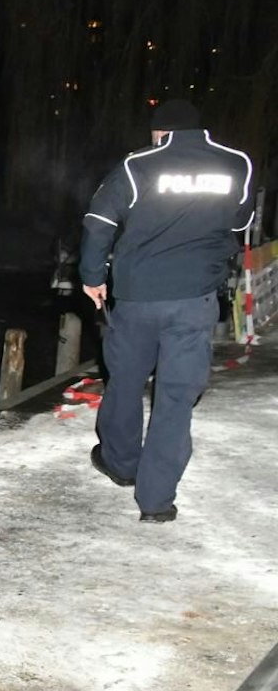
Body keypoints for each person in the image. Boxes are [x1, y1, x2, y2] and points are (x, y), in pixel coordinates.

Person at [79, 98, 255, 523]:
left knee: (125, 379)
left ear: (161, 132)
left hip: (137, 297)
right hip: (195, 298)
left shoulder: (136, 166)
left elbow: (99, 222)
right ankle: (156, 501)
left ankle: (121, 464)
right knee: (176, 396)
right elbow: (239, 222)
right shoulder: (236, 164)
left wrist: (92, 275)